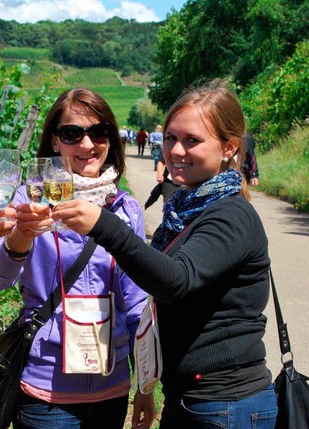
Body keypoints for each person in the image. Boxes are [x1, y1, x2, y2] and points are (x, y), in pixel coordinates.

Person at [53, 79, 277, 428]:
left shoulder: (230, 215)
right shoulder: (190, 209)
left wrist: (105, 226)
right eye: (171, 138)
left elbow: (175, 281)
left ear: (230, 147)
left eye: (192, 141)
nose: (175, 151)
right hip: (196, 398)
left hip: (225, 404)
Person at [0, 88, 156, 429]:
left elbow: (135, 303)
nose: (88, 145)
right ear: (54, 142)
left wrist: (146, 386)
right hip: (45, 388)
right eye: (73, 133)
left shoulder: (125, 208)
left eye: (99, 132)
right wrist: (21, 235)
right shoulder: (28, 201)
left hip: (111, 385)